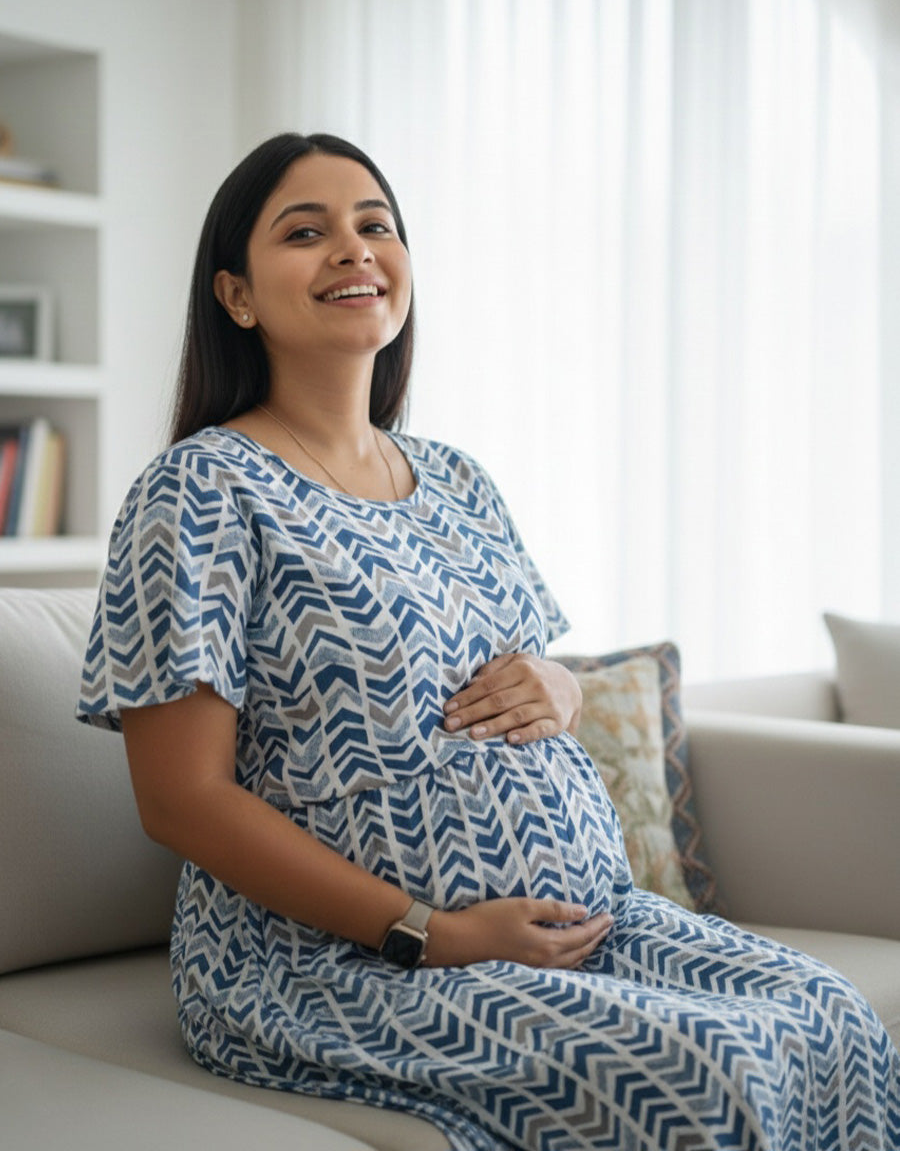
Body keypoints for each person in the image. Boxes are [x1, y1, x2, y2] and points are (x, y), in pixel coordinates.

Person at [77, 132, 899, 1151]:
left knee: (836, 1023)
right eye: (306, 232)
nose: (353, 249)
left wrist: (560, 684)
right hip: (332, 964)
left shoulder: (458, 481)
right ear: (237, 296)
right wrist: (432, 934)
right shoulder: (202, 489)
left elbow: (527, 675)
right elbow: (179, 800)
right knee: (709, 1078)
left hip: (590, 920)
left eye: (376, 225)